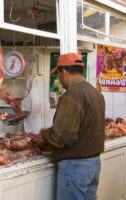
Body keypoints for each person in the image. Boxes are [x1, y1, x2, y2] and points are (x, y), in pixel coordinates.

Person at [39, 53, 105, 200]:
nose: (59, 78)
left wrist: (44, 134)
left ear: (64, 72)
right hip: (93, 164)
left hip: (75, 167)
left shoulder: (72, 95)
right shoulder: (95, 93)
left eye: (58, 74)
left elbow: (62, 137)